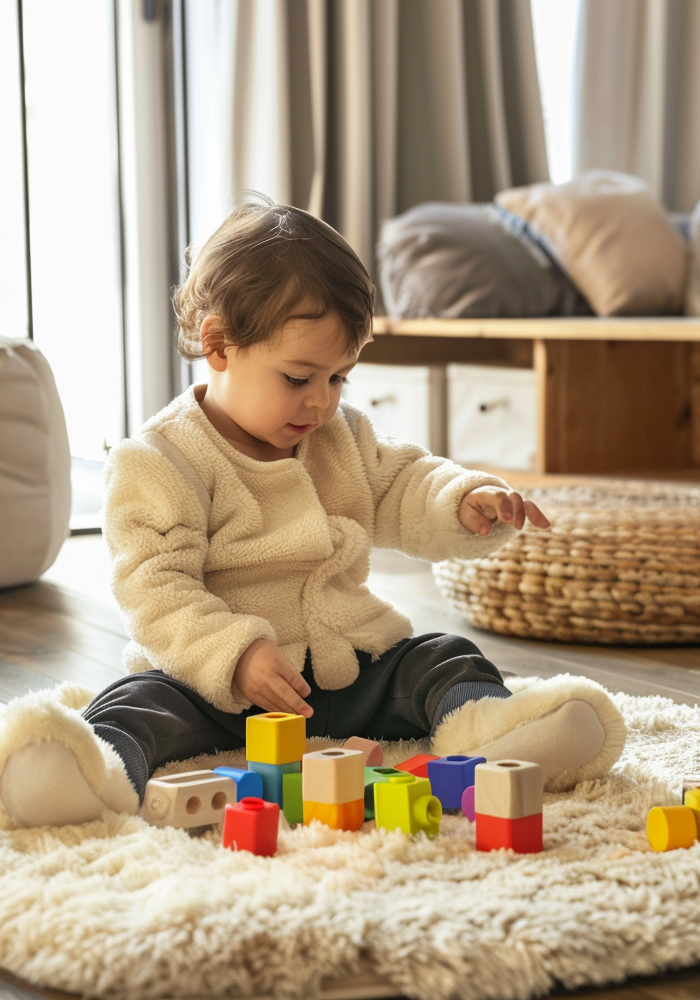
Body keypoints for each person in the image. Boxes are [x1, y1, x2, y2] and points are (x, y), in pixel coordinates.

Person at [0, 198, 625, 829]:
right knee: (135, 705)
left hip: (345, 672)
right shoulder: (161, 459)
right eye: (299, 378)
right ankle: (85, 773)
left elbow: (402, 483)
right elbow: (154, 590)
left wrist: (460, 500)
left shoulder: (341, 438)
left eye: (338, 378)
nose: (321, 402)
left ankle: (498, 736)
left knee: (445, 656)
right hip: (211, 687)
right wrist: (236, 657)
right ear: (219, 345)